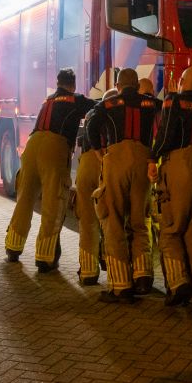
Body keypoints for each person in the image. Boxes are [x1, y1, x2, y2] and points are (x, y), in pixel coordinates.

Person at [4, 68, 95, 272]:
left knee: (25, 199)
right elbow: (99, 108)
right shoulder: (76, 99)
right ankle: (46, 257)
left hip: (32, 146)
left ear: (57, 83)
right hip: (54, 148)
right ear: (73, 84)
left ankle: (13, 247)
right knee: (53, 203)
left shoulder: (47, 101)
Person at [87, 69, 160, 303]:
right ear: (137, 85)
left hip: (116, 160)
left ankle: (121, 285)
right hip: (143, 160)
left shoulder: (108, 104)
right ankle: (143, 277)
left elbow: (90, 124)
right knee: (140, 220)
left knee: (115, 220)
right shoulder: (150, 103)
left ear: (118, 86)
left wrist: (99, 151)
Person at [149, 66, 192, 307]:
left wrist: (152, 157)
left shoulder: (172, 102)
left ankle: (178, 284)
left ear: (182, 81)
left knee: (171, 230)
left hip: (178, 165)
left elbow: (165, 135)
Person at [73, 88, 119, 286]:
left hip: (85, 165)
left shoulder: (92, 112)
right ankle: (115, 272)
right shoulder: (117, 113)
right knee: (110, 220)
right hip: (104, 163)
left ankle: (88, 271)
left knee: (87, 221)